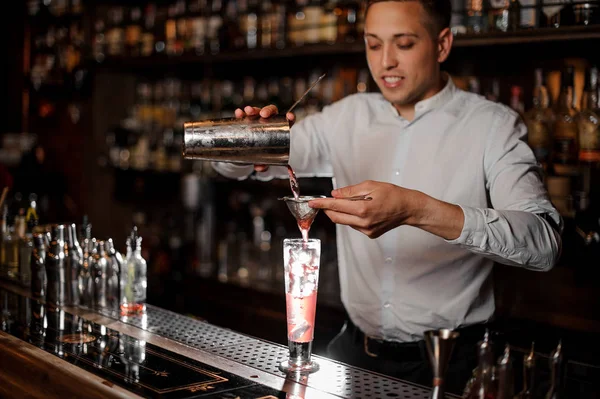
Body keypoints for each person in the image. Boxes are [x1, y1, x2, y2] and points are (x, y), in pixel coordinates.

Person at [211, 0, 562, 393]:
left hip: (453, 362)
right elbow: (235, 166)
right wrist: (243, 138)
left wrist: (419, 210)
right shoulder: (345, 117)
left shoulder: (492, 127)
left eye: (404, 44)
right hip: (353, 352)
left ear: (443, 44)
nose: (386, 62)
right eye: (374, 45)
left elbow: (544, 242)